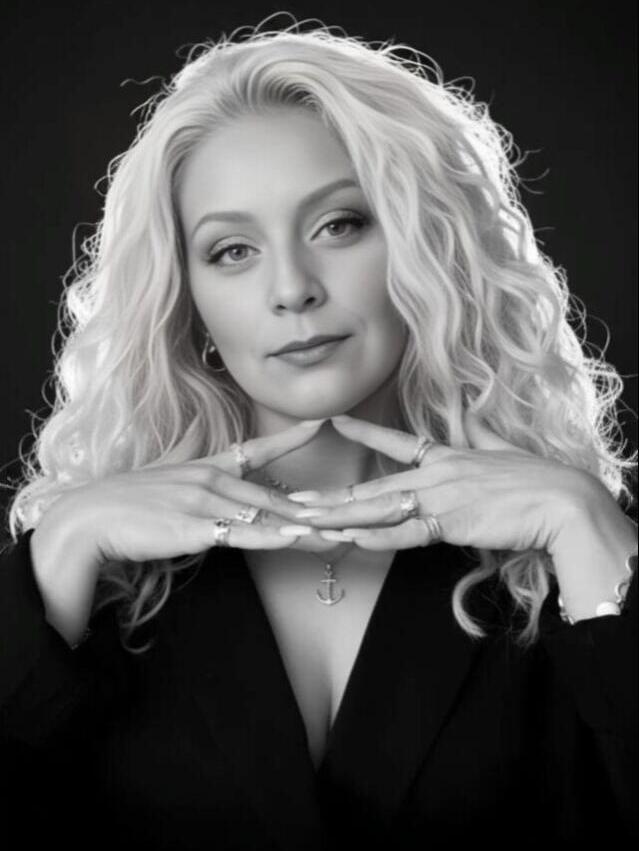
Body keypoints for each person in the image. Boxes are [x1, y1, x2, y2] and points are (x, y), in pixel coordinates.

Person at [0, 19, 637, 851]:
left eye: (338, 224)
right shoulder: (100, 573)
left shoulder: (565, 547)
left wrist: (588, 528)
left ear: (428, 242)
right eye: (232, 250)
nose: (291, 288)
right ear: (186, 295)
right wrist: (60, 552)